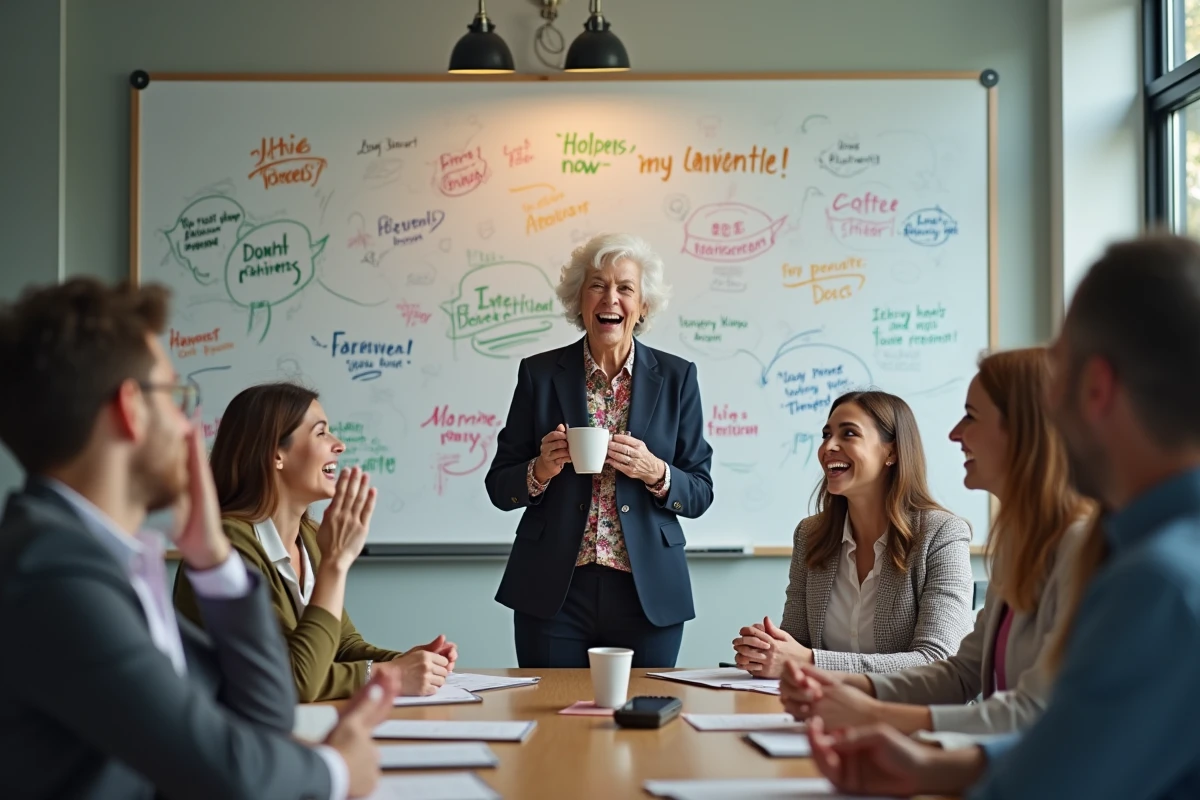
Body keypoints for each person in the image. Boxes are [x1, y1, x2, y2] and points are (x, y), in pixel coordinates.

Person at [799, 234, 1200, 799]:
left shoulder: (1156, 581)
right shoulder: (1119, 549)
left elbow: (1054, 768)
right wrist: (937, 768)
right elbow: (1066, 743)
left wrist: (885, 720)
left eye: (1058, 378)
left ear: (1096, 388)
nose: (954, 435)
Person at [0, 278, 397, 799]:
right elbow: (225, 770)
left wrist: (214, 560)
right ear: (130, 409)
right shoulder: (52, 575)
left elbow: (265, 713)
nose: (190, 425)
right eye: (174, 396)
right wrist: (336, 771)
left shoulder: (94, 557)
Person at [780, 348, 1093, 739]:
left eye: (971, 416)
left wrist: (866, 708)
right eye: (827, 434)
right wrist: (842, 689)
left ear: (1025, 429)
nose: (954, 433)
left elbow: (1033, 713)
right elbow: (963, 673)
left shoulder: (1083, 550)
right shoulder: (1018, 544)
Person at [486, 232, 714, 668]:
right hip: (553, 590)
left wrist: (656, 472)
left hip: (647, 591)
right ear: (579, 300)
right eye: (597, 285)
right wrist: (540, 470)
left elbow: (700, 490)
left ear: (642, 306)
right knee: (551, 720)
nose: (611, 298)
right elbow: (500, 486)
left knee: (646, 719)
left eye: (625, 288)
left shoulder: (678, 377)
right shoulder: (537, 374)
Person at [174, 382, 459, 702]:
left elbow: (340, 645)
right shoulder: (227, 545)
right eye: (321, 433)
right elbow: (292, 679)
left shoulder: (310, 536)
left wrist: (404, 662)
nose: (339, 445)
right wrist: (388, 676)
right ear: (276, 453)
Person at [732, 391, 973, 676]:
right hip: (827, 711)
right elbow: (797, 645)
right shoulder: (809, 535)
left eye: (848, 434)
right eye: (826, 434)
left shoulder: (942, 534)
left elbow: (939, 663)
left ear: (892, 452)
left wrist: (810, 662)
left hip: (912, 716)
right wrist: (767, 651)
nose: (828, 447)